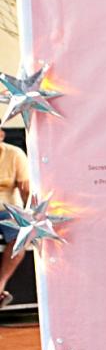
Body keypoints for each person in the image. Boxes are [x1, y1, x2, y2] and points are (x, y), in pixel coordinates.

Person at [0, 131, 31, 308]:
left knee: (20, 238)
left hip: (9, 210)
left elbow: (26, 191)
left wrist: (31, 216)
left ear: (1, 135)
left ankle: (0, 287)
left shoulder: (15, 154)